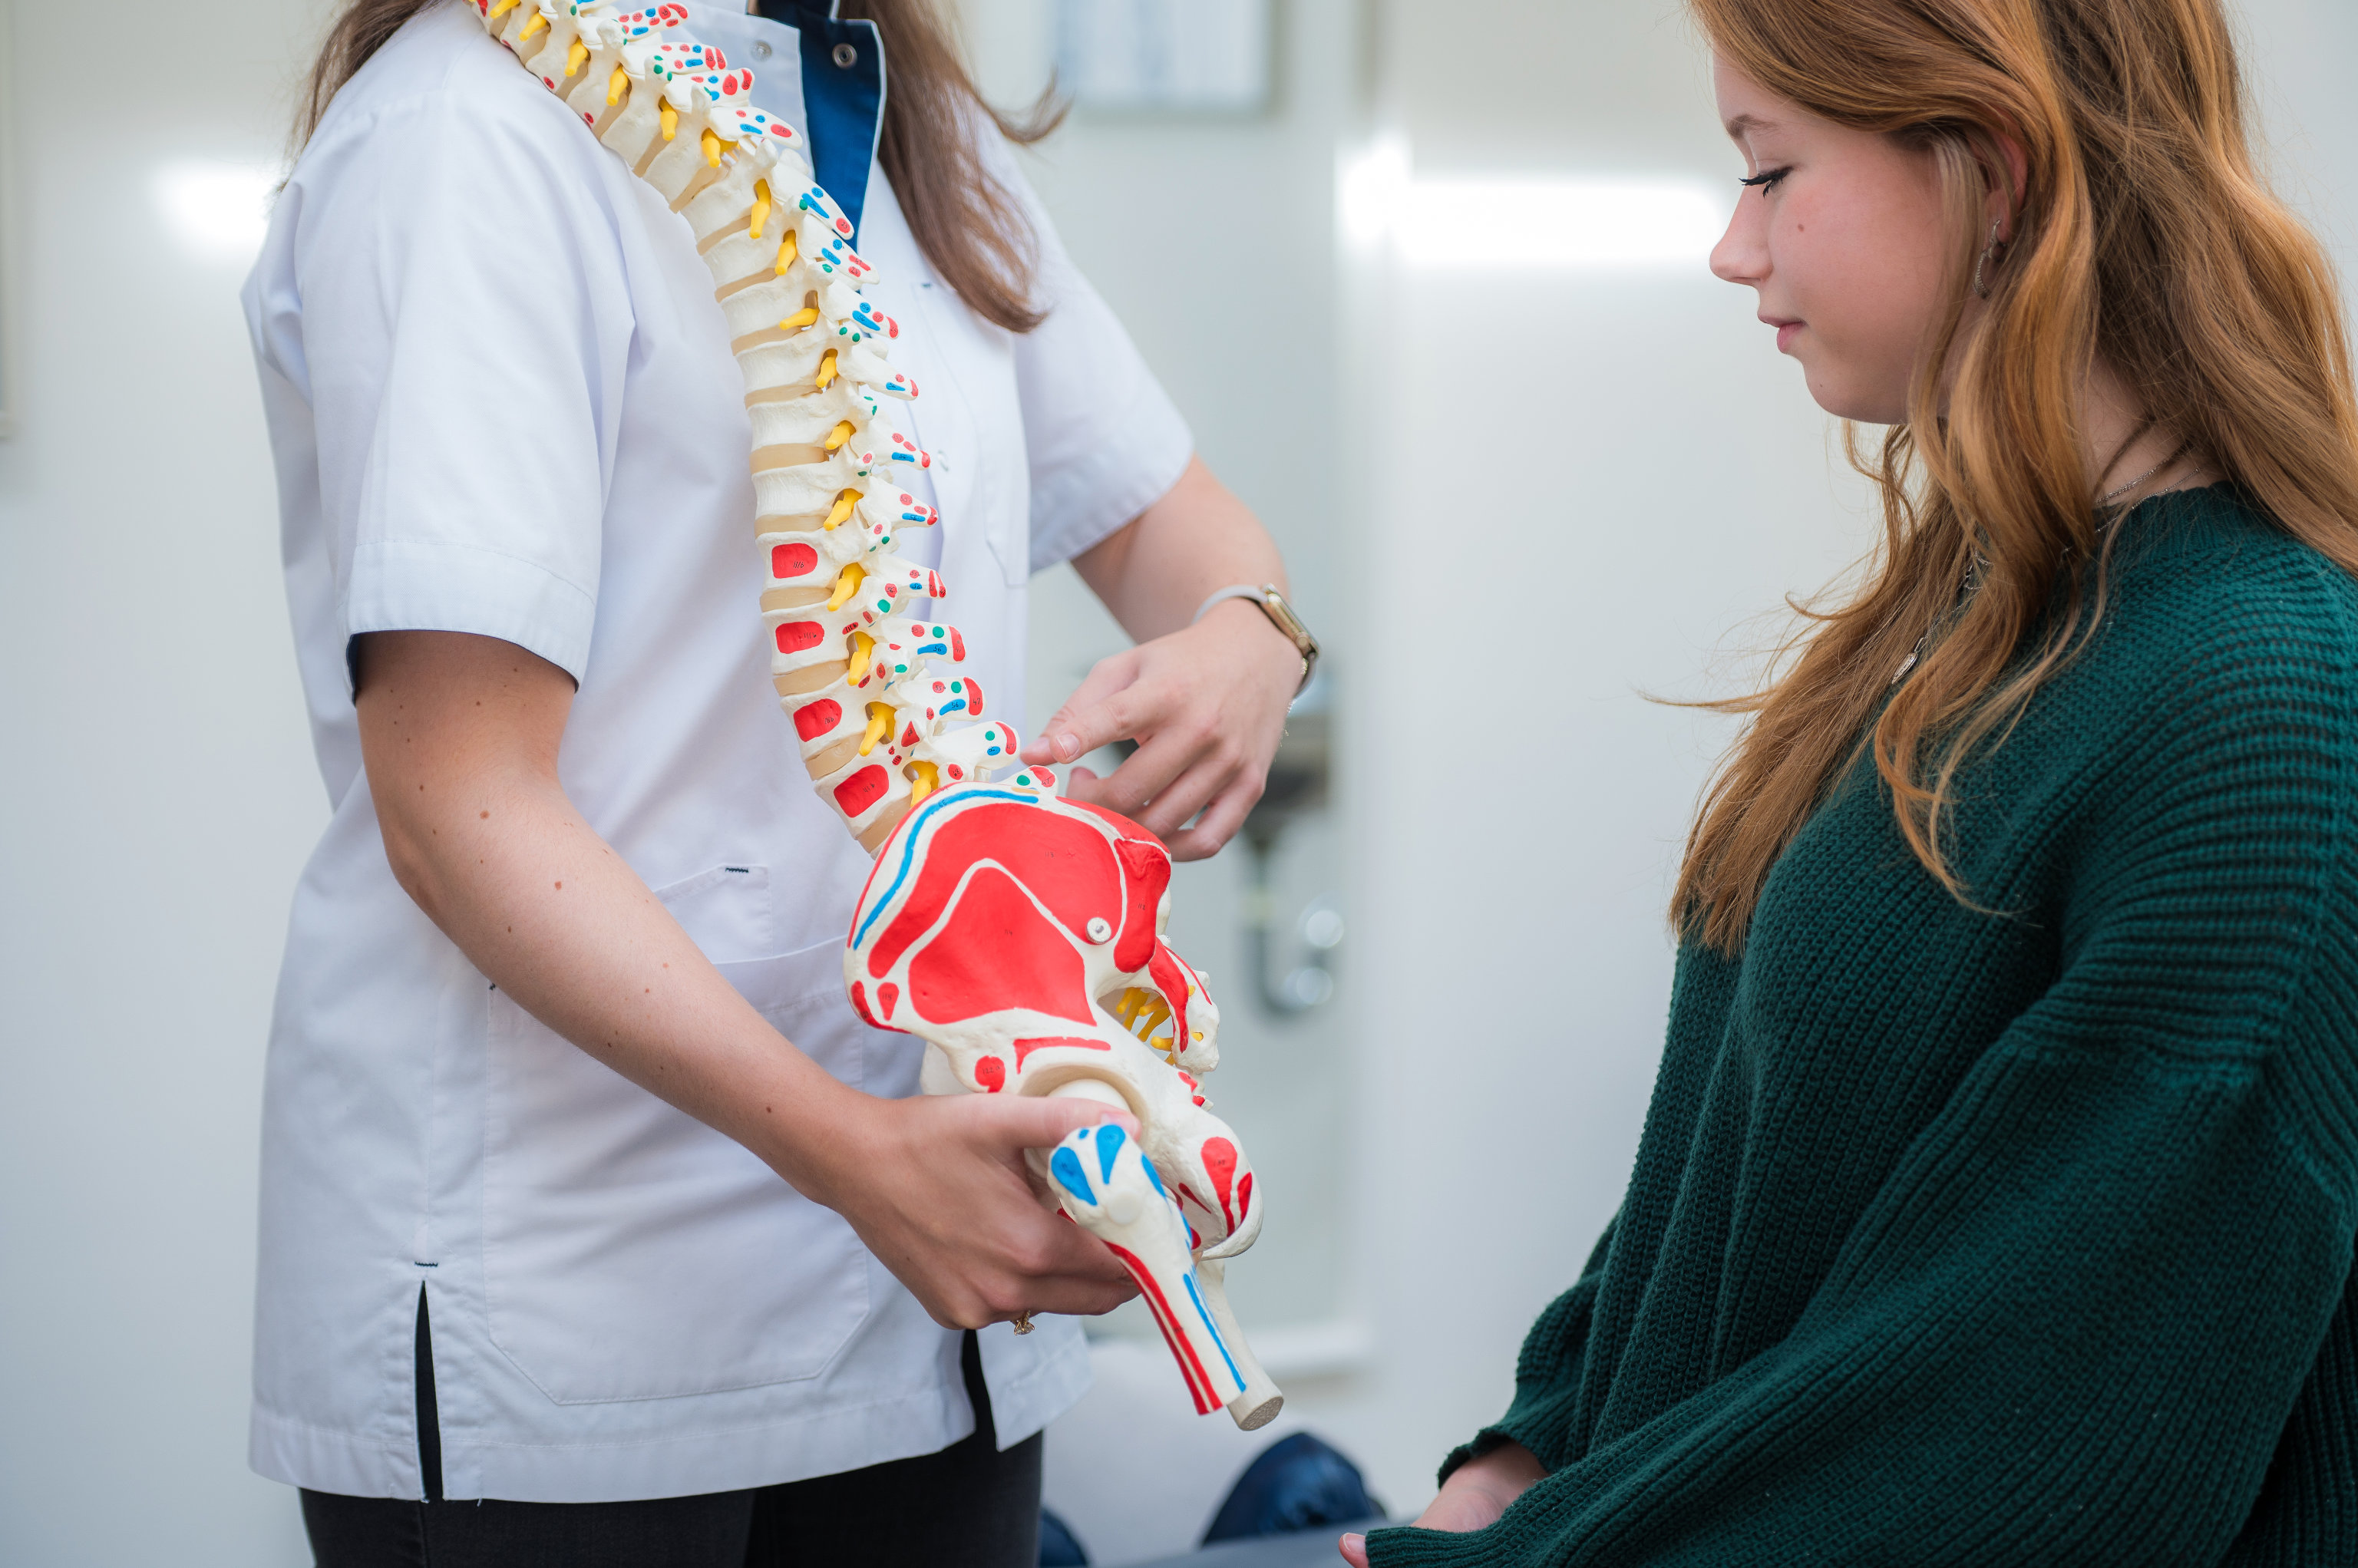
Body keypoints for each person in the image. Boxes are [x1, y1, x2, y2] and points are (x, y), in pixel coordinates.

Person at [242, 1, 1312, 1562]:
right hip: (573, 1301)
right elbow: (458, 805)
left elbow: (1175, 522)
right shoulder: (467, 130)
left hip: (934, 1309)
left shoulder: (913, 130)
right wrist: (855, 1158)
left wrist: (1250, 634)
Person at [1346, 0, 2358, 1563]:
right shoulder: (1989, 602)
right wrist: (1537, 1448)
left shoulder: (2256, 697)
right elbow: (1746, 1160)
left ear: (1990, 174)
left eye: (1768, 171)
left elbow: (2019, 1413)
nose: (1732, 248)